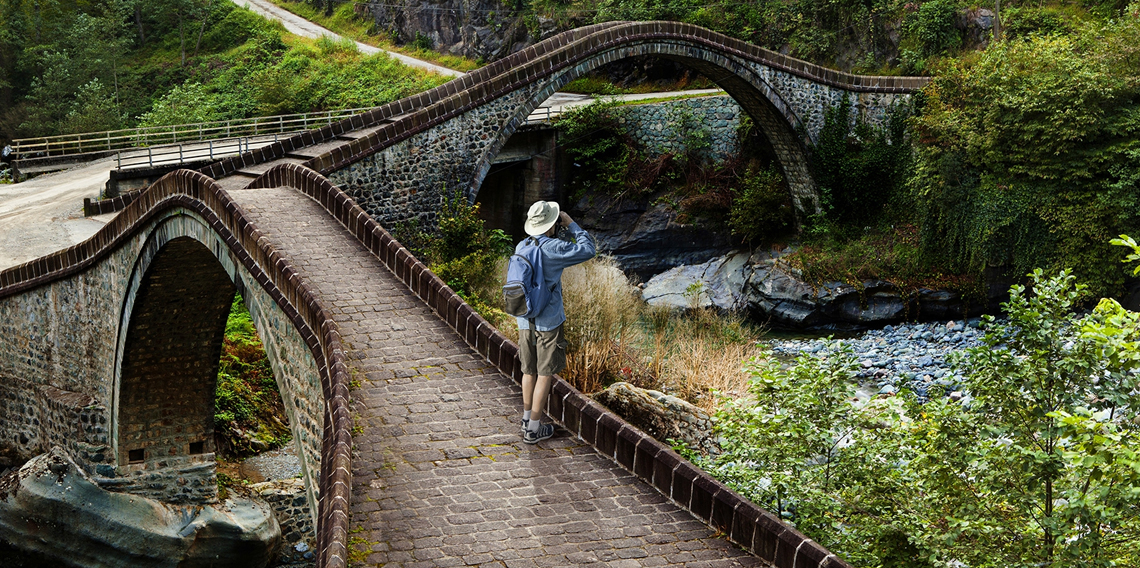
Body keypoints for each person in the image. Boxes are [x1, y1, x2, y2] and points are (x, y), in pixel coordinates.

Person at [517, 200, 595, 444]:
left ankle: (526, 418)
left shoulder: (522, 245)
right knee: (544, 373)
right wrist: (571, 224)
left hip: (523, 317)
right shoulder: (553, 248)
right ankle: (533, 430)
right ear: (552, 224)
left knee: (528, 370)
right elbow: (588, 249)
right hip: (547, 321)